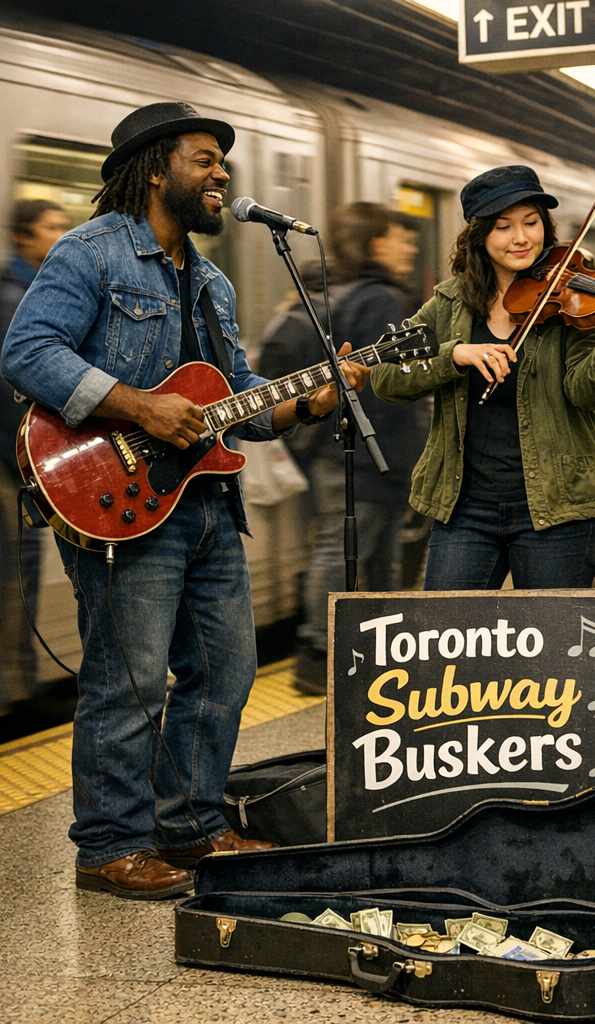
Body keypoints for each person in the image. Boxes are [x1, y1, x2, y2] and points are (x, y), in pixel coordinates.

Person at [0, 102, 368, 899]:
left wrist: (308, 400)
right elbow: (26, 353)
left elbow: (234, 406)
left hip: (204, 504)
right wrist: (135, 406)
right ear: (155, 168)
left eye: (222, 163)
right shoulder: (89, 255)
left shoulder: (211, 282)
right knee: (127, 679)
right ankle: (107, 846)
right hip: (116, 499)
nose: (222, 174)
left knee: (227, 670)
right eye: (205, 160)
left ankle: (192, 827)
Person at [372, 165, 595, 589]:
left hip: (559, 506)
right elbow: (386, 378)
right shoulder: (449, 303)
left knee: (553, 649)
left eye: (531, 223)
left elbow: (587, 393)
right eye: (503, 227)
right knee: (450, 639)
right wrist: (454, 354)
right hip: (465, 508)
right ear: (479, 236)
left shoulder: (572, 294)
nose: (521, 238)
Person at [259, 202, 425, 695]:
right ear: (376, 243)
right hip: (373, 449)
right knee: (359, 553)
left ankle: (375, 651)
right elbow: (387, 384)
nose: (410, 247)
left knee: (362, 551)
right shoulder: (381, 300)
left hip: (326, 444)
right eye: (401, 237)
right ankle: (321, 653)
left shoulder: (318, 292)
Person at [0, 199, 70, 712]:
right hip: (10, 461)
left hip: (17, 458)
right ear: (24, 238)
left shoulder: (31, 290)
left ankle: (19, 685)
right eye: (52, 228)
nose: (61, 235)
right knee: (13, 576)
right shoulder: (15, 299)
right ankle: (16, 694)